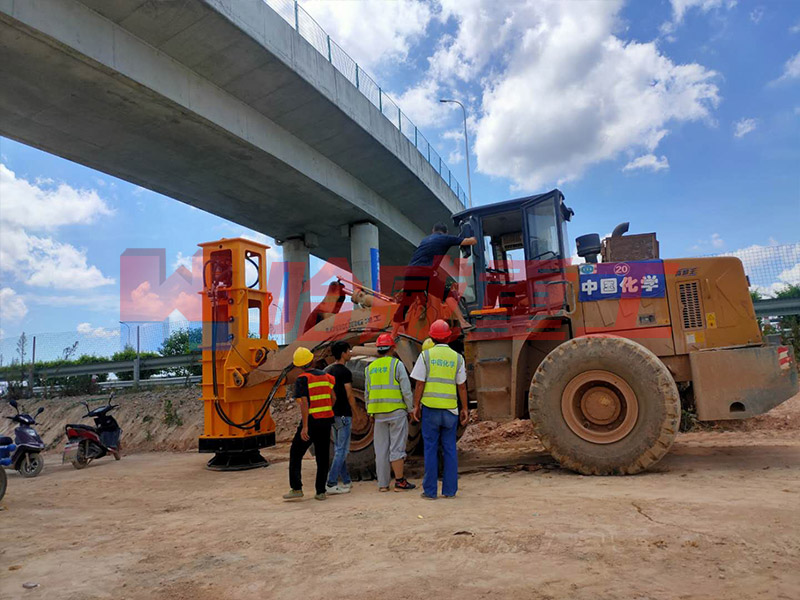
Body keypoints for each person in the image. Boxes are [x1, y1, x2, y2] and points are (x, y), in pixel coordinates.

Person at [410, 320, 469, 499]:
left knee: (430, 449)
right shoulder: (457, 358)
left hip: (431, 410)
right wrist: (465, 408)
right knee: (450, 449)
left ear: (431, 337)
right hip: (450, 411)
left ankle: (430, 491)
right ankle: (450, 491)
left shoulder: (426, 356)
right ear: (449, 337)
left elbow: (420, 383)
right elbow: (462, 387)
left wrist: (416, 405)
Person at [393, 222, 477, 330]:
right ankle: (463, 322)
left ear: (433, 231)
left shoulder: (425, 240)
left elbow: (424, 257)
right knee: (447, 294)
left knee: (404, 305)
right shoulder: (446, 238)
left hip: (410, 271)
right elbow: (471, 241)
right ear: (446, 232)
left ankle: (392, 336)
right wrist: (475, 235)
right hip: (423, 272)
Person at [365, 333, 416, 492]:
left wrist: (370, 412)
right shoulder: (396, 365)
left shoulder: (370, 368)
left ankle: (383, 485)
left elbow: (367, 394)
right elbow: (406, 391)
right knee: (397, 448)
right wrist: (410, 409)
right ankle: (400, 482)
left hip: (378, 414)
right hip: (396, 412)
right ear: (393, 348)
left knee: (380, 449)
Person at [283, 347, 336, 501]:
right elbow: (334, 398)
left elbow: (304, 403)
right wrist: (327, 409)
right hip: (326, 421)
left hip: (312, 422)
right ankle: (320, 491)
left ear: (299, 366)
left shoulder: (302, 379)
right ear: (312, 360)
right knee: (322, 456)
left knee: (295, 453)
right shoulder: (327, 376)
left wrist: (305, 426)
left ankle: (296, 488)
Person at [325, 341, 358, 495]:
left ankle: (346, 481)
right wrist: (356, 413)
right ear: (343, 353)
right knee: (342, 450)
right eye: (348, 350)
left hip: (334, 415)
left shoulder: (329, 371)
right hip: (344, 414)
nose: (350, 353)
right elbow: (349, 394)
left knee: (339, 448)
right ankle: (331, 482)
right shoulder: (345, 372)